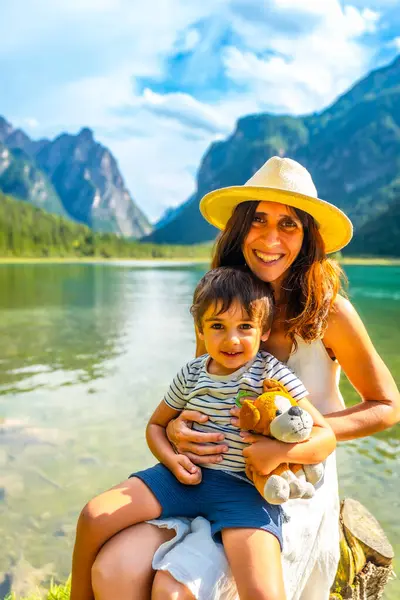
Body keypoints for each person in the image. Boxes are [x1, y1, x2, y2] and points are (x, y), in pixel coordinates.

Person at [90, 156, 400, 600]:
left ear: (308, 238)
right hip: (210, 471)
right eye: (258, 220)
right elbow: (200, 387)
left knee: (175, 589)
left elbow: (388, 406)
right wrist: (178, 429)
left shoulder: (330, 313)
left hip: (289, 484)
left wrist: (298, 442)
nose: (271, 238)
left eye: (289, 224)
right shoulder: (220, 302)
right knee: (113, 570)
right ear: (239, 230)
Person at [71, 265, 337, 600]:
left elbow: (324, 435)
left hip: (244, 490)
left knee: (263, 591)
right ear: (200, 329)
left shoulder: (271, 373)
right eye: (217, 326)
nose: (231, 339)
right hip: (181, 480)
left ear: (263, 331)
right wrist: (171, 458)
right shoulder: (191, 373)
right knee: (94, 515)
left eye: (245, 326)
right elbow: (156, 425)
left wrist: (277, 454)